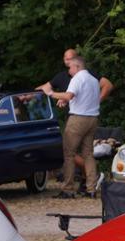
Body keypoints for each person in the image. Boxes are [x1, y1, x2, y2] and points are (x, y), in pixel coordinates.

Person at [41, 56, 101, 198]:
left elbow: (69, 95)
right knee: (88, 154)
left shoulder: (77, 79)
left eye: (71, 67)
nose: (69, 70)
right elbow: (80, 98)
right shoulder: (93, 80)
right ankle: (91, 189)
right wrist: (65, 99)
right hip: (92, 119)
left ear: (78, 66)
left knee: (69, 153)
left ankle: (68, 189)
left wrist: (50, 93)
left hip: (78, 119)